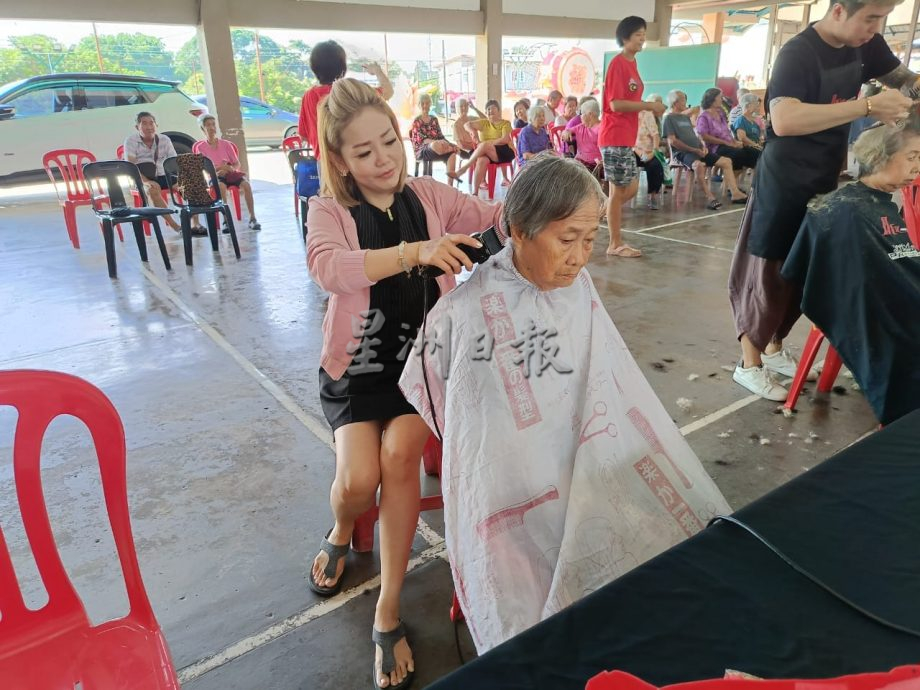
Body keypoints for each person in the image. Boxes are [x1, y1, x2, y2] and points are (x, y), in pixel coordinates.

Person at [399, 154, 730, 653]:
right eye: (567, 239)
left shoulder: (577, 286)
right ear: (518, 230)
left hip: (581, 447)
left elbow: (600, 376)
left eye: (591, 240)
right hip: (512, 477)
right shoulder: (468, 310)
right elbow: (461, 418)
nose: (579, 257)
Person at [305, 78, 503, 690]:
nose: (384, 159)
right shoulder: (329, 211)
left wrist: (548, 203)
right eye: (364, 153)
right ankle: (342, 528)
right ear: (339, 159)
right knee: (356, 482)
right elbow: (329, 269)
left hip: (423, 363)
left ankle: (387, 608)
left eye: (389, 141)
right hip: (358, 368)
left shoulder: (430, 194)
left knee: (398, 457)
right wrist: (417, 252)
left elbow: (498, 216)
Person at [727, 0, 916, 401]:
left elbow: (904, 79)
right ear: (838, 12)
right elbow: (785, 120)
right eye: (870, 18)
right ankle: (749, 363)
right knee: (768, 265)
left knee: (802, 264)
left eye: (881, 18)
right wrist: (867, 106)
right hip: (784, 174)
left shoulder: (867, 44)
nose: (875, 27)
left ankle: (775, 347)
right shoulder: (799, 53)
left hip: (824, 170)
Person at [782, 116, 920, 424]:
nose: (917, 166)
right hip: (876, 307)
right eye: (912, 157)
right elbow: (850, 280)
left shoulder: (882, 204)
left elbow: (899, 261)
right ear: (880, 157)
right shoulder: (844, 210)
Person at [599, 15, 666, 257]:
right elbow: (616, 104)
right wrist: (649, 106)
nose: (642, 39)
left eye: (643, 35)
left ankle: (603, 212)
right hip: (614, 135)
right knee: (619, 191)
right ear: (625, 37)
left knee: (630, 188)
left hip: (626, 138)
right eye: (638, 35)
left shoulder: (632, 64)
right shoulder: (617, 64)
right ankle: (614, 243)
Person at [297, 40, 394, 158]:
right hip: (354, 161)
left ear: (314, 67)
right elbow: (388, 92)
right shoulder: (350, 90)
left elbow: (304, 135)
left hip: (324, 164)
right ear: (342, 66)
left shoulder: (308, 97)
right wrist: (377, 71)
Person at [662, 90, 747, 210]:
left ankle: (735, 193)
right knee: (699, 166)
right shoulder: (669, 118)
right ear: (675, 102)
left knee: (726, 161)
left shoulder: (685, 118)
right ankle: (710, 198)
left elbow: (695, 136)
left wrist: (702, 147)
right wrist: (694, 150)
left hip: (698, 150)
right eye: (683, 99)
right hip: (683, 153)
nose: (686, 102)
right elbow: (673, 141)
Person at [194, 113, 261, 230]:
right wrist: (219, 169)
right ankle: (226, 221)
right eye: (208, 125)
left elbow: (236, 163)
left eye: (213, 125)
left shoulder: (225, 144)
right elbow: (203, 167)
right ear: (202, 129)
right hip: (215, 176)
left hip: (231, 174)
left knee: (246, 185)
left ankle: (253, 218)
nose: (211, 128)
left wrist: (230, 168)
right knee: (221, 187)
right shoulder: (201, 148)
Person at [122, 111, 181, 232]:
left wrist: (180, 177)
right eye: (144, 123)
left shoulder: (165, 139)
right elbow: (130, 166)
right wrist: (146, 181)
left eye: (151, 123)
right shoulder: (131, 141)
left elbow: (173, 161)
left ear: (156, 125)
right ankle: (176, 226)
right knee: (152, 190)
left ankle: (195, 224)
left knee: (187, 187)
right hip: (142, 177)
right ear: (137, 127)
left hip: (164, 174)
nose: (149, 127)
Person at [450, 99, 515, 193]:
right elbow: (467, 125)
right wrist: (473, 132)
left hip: (504, 151)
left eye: (493, 108)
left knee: (483, 145)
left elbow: (505, 139)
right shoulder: (484, 123)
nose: (490, 111)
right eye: (488, 109)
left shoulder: (505, 123)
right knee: (481, 160)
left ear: (498, 110)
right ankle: (475, 193)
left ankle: (463, 169)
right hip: (487, 152)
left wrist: (487, 143)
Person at [696, 88, 760, 175]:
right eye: (720, 97)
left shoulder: (720, 113)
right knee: (739, 154)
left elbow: (727, 132)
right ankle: (730, 186)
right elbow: (704, 137)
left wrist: (734, 142)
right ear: (713, 99)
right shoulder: (704, 116)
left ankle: (736, 184)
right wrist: (726, 142)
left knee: (753, 153)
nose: (722, 99)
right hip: (714, 148)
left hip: (726, 145)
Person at [408, 93, 458, 176]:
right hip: (422, 150)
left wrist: (450, 144)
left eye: (427, 103)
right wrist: (437, 143)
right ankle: (450, 149)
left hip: (437, 149)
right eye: (423, 103)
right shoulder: (417, 121)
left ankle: (450, 186)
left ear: (430, 104)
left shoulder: (434, 119)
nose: (425, 105)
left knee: (452, 155)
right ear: (419, 105)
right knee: (435, 145)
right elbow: (423, 140)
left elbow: (441, 136)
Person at [635, 100, 666, 210]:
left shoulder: (647, 114)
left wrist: (654, 151)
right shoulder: (627, 115)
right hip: (633, 150)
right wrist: (638, 151)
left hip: (649, 150)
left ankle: (652, 196)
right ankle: (622, 194)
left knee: (656, 166)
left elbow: (655, 135)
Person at [561, 98, 602, 171]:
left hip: (596, 165)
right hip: (580, 163)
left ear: (590, 114)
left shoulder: (602, 128)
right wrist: (566, 132)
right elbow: (565, 132)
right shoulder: (581, 126)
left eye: (581, 113)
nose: (580, 116)